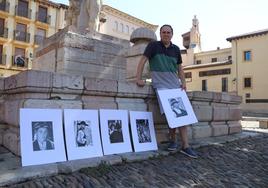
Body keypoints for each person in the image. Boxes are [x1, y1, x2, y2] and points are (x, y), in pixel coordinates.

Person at [136, 24, 197, 158]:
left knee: (181, 115)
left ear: (172, 34)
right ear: (160, 34)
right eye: (163, 32)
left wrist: (184, 83)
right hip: (161, 86)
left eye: (168, 32)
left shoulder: (176, 49)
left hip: (175, 85)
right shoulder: (153, 46)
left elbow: (180, 68)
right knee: (172, 114)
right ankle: (174, 141)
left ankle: (184, 145)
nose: (166, 34)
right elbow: (142, 61)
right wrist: (138, 78)